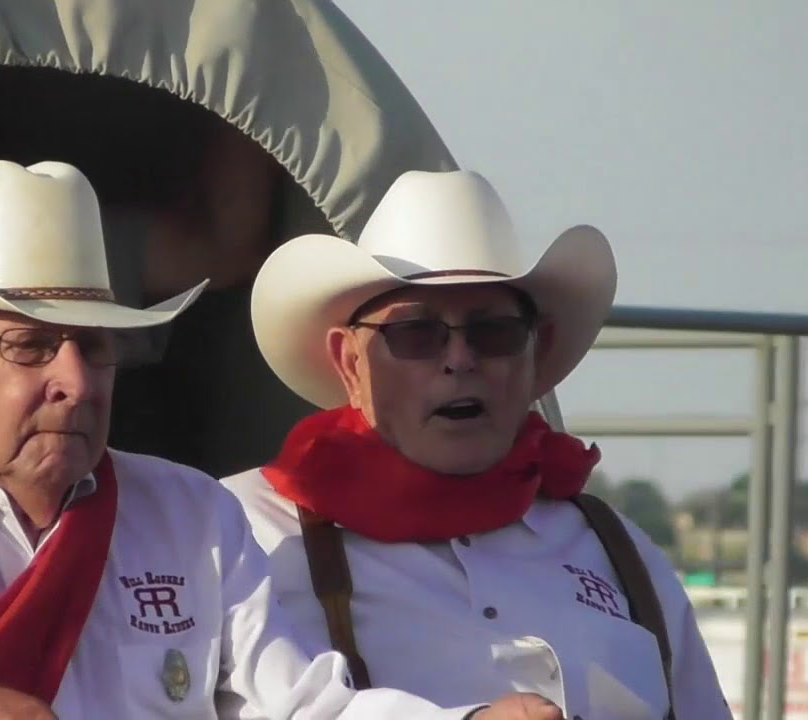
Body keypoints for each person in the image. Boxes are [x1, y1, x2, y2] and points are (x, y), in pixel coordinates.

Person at [0, 159, 567, 720]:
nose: (74, 377)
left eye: (95, 344)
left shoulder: (190, 516)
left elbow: (302, 709)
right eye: (30, 344)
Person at [222, 170, 733, 719]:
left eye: (494, 332)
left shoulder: (619, 550)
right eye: (416, 333)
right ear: (350, 363)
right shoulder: (239, 534)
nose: (460, 360)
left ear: (539, 355)